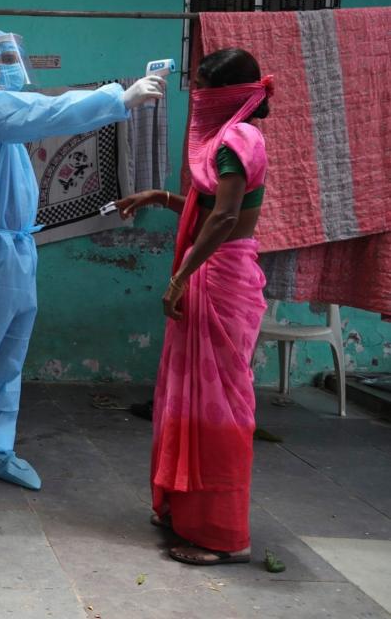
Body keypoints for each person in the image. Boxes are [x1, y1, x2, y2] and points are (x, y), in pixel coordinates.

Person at [0, 30, 165, 495]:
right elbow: (44, 112)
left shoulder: (8, 127)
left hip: (16, 249)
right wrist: (119, 97)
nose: (12, 65)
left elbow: (33, 116)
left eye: (14, 56)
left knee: (9, 355)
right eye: (1, 59)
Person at [116, 48, 271, 566]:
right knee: (189, 398)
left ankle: (222, 534)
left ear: (222, 94)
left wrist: (180, 277)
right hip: (220, 274)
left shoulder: (231, 142)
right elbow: (213, 209)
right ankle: (186, 512)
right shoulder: (238, 140)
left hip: (219, 280)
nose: (194, 94)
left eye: (202, 86)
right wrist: (161, 198)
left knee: (217, 407)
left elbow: (225, 218)